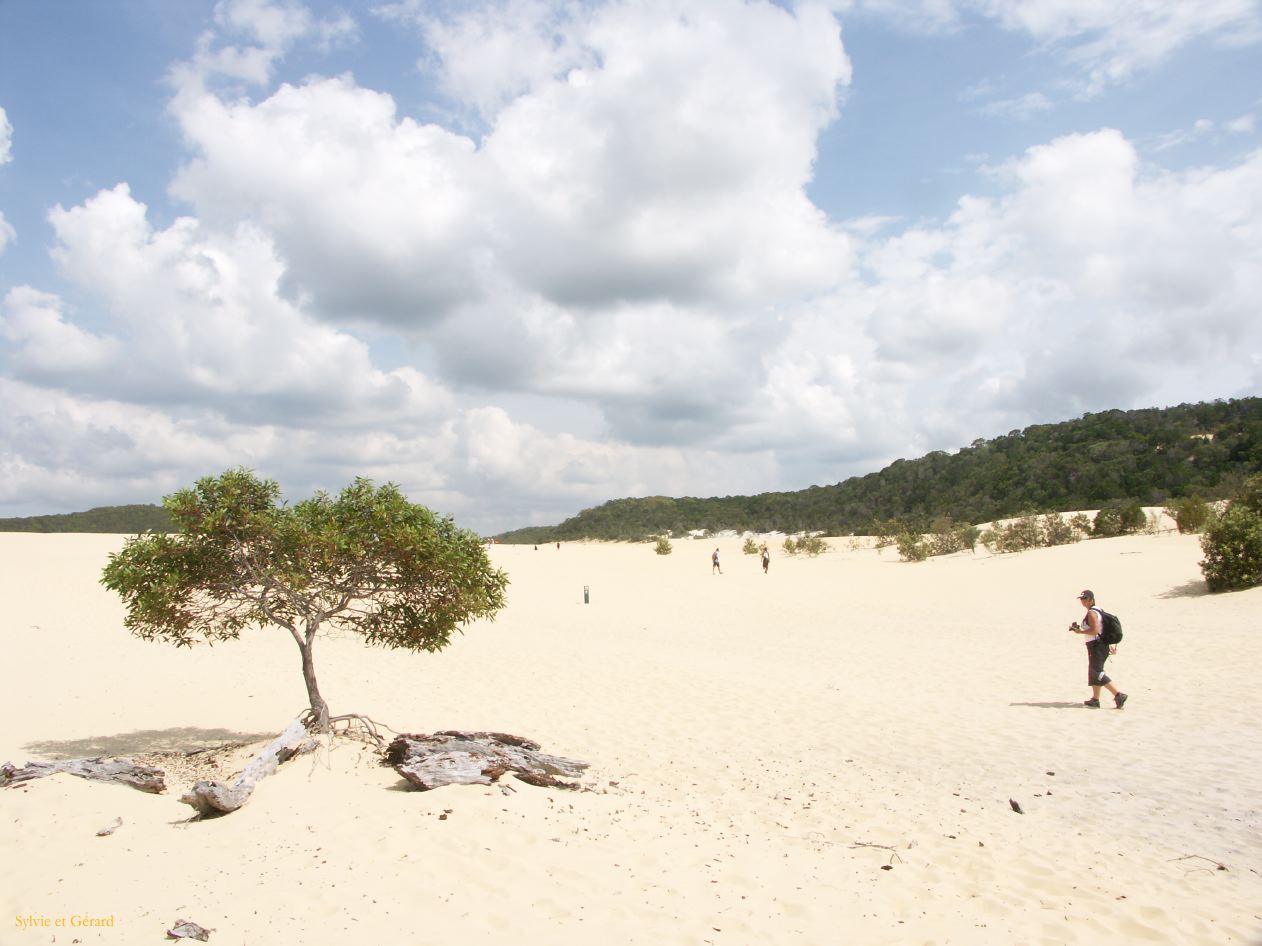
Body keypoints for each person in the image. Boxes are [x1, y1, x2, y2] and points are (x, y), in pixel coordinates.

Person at [1069, 589, 1128, 709]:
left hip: (1096, 646)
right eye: (1081, 599)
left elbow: (1095, 630)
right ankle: (1095, 699)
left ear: (1091, 599)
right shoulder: (1098, 610)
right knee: (1093, 672)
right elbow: (1102, 629)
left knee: (1097, 672)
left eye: (1085, 598)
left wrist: (1079, 631)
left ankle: (1118, 695)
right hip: (1099, 645)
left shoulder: (1092, 613)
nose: (1083, 601)